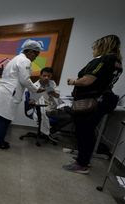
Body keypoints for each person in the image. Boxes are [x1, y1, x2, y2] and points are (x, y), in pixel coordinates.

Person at [63, 35, 123, 174]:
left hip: (93, 101)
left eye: (94, 47)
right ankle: (83, 159)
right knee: (87, 131)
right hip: (103, 99)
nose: (93, 50)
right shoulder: (117, 62)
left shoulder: (105, 59)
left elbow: (87, 81)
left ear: (102, 46)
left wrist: (73, 81)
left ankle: (82, 164)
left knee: (84, 131)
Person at [0, 39, 46, 149]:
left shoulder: (15, 59)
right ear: (30, 52)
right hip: (9, 93)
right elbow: (25, 79)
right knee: (5, 120)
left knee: (2, 119)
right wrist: (35, 89)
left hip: (3, 91)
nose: (35, 58)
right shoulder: (25, 61)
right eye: (36, 55)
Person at [29, 67, 71, 137]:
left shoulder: (52, 83)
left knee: (70, 115)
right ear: (40, 76)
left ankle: (50, 131)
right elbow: (31, 100)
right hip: (43, 109)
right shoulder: (35, 86)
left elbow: (57, 96)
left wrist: (52, 92)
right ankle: (48, 132)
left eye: (49, 76)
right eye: (44, 76)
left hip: (53, 107)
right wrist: (32, 101)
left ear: (51, 76)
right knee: (68, 117)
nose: (46, 78)